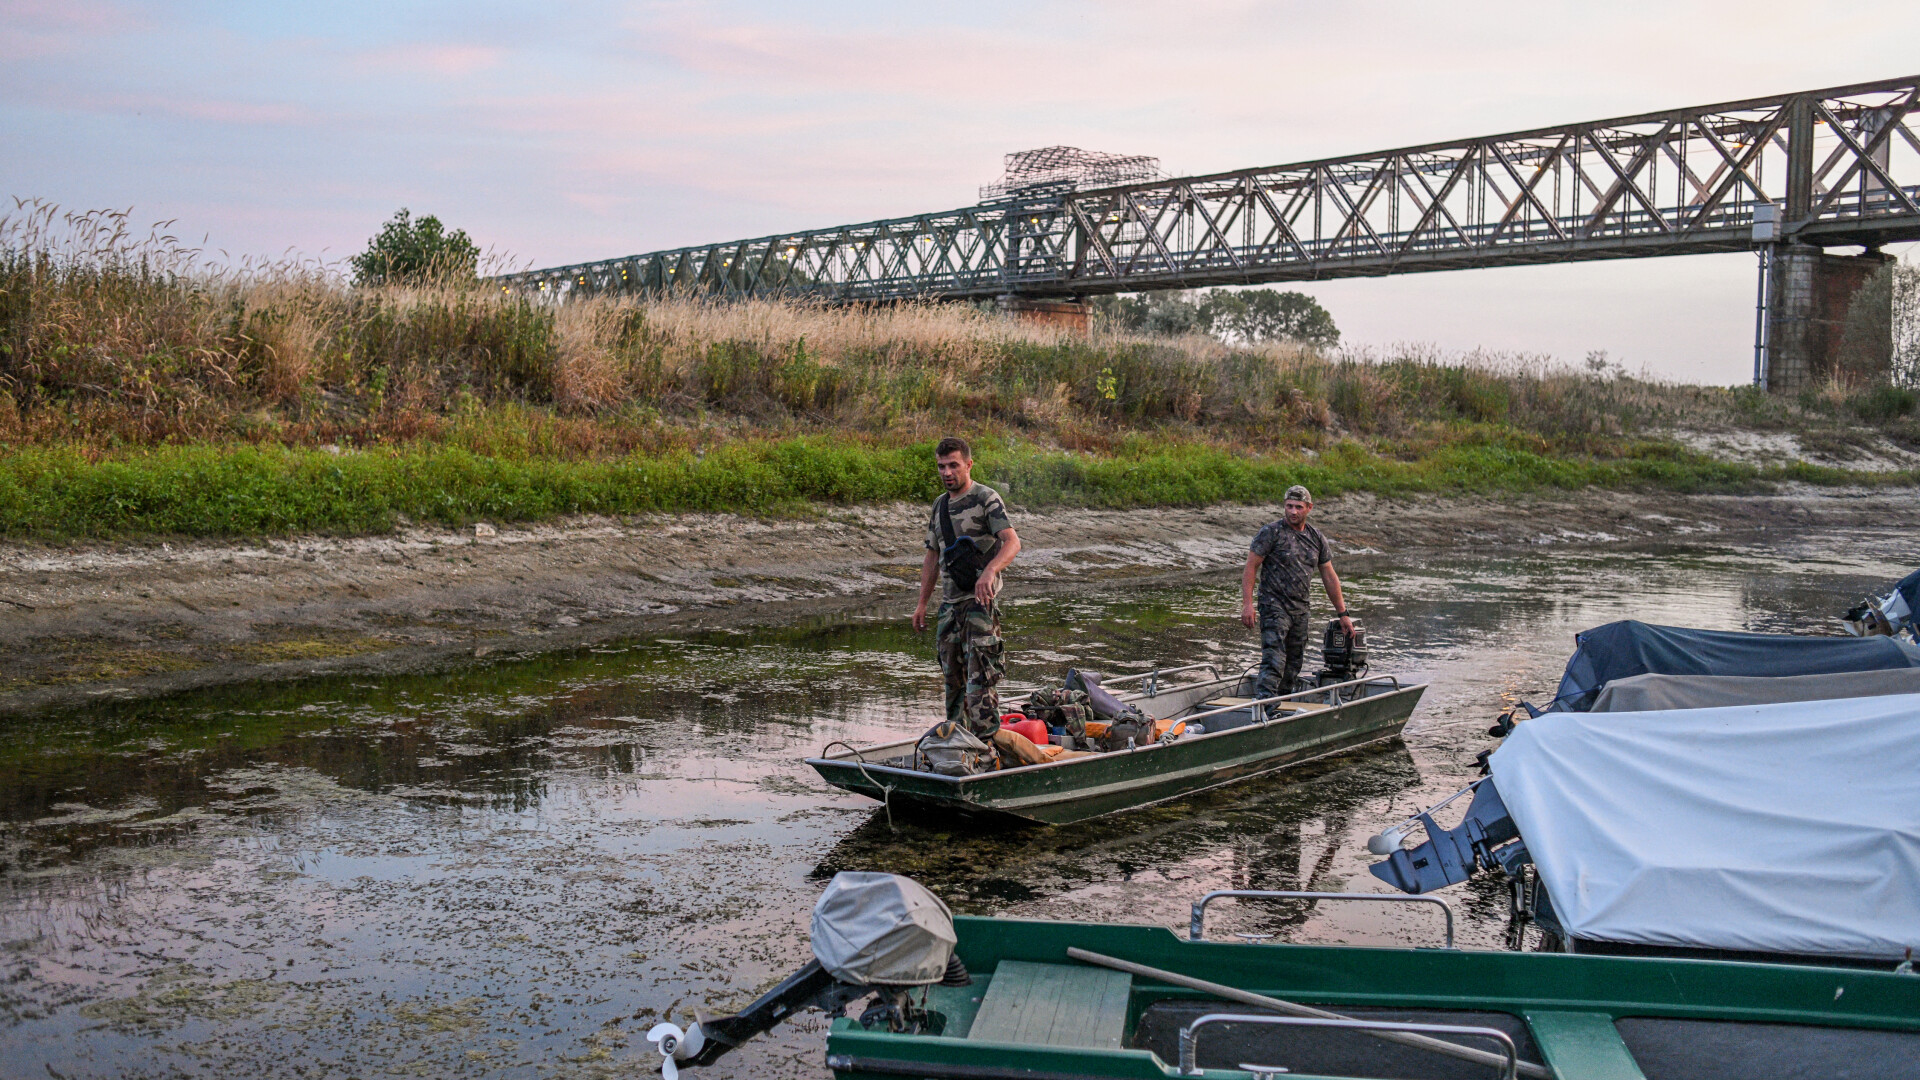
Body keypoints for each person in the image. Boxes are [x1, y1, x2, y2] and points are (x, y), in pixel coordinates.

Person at [911, 437, 1022, 743]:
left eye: (953, 465)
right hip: (949, 609)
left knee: (980, 685)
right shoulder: (939, 506)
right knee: (953, 685)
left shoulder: (986, 498)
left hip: (978, 608)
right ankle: (956, 747)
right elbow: (932, 556)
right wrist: (922, 604)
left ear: (968, 465)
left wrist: (990, 570)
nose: (947, 472)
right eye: (941, 466)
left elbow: (1012, 542)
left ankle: (987, 751)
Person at [1241, 484, 1353, 698]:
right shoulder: (1270, 533)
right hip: (1273, 605)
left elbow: (1329, 576)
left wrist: (1343, 614)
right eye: (1289, 506)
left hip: (1300, 609)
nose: (1293, 511)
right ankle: (1264, 706)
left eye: (1298, 507)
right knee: (1274, 659)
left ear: (1309, 508)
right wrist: (1248, 604)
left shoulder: (1316, 538)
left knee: (1294, 663)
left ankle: (1282, 701)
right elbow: (1251, 567)